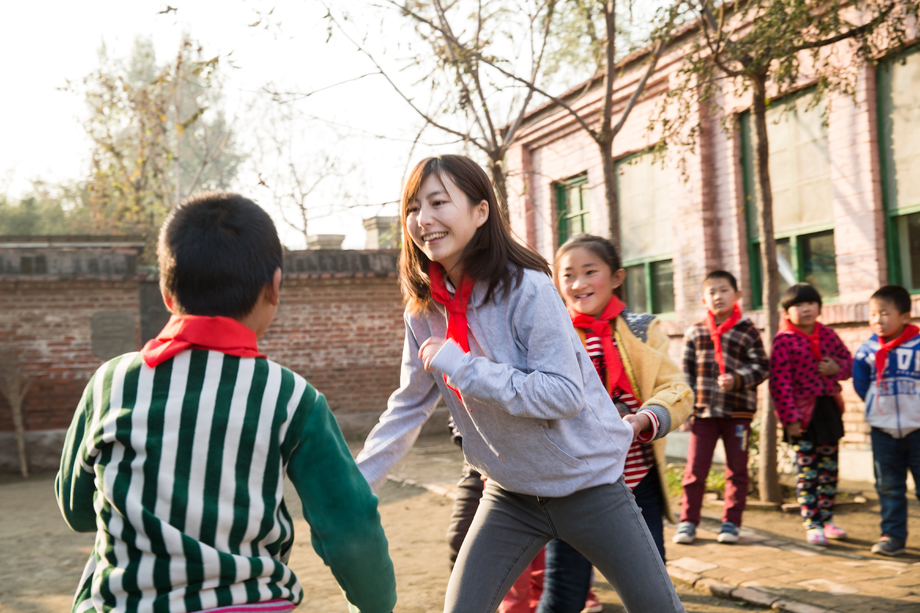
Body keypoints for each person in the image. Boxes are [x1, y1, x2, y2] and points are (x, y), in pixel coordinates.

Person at [355, 154, 685, 613]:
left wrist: (464, 367)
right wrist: (356, 484)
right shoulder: (424, 311)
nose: (423, 219)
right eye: (413, 207)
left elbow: (563, 395)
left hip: (589, 487)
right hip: (508, 495)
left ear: (480, 211)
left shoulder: (528, 288)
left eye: (438, 202)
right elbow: (409, 406)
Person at [55, 192, 396, 613]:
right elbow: (350, 526)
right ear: (274, 286)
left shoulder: (112, 384)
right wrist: (376, 605)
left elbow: (76, 509)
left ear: (166, 291)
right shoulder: (291, 397)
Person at [513, 234, 693, 613]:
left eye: (590, 271)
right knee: (564, 592)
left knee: (650, 591)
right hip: (575, 485)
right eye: (568, 275)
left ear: (616, 277)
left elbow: (676, 389)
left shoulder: (642, 329)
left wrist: (645, 417)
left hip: (637, 481)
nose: (578, 283)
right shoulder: (548, 333)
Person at [673, 271, 769, 545]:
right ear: (704, 299)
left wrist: (737, 379)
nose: (718, 296)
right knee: (695, 470)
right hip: (703, 414)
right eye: (712, 292)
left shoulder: (747, 330)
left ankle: (731, 523)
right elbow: (686, 376)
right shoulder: (695, 332)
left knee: (736, 471)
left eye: (724, 290)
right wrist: (686, 411)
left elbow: (762, 367)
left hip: (738, 414)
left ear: (737, 295)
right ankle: (688, 521)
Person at [769, 283, 853, 546]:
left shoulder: (828, 335)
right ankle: (812, 523)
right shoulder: (783, 341)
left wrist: (836, 368)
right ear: (786, 312)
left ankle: (827, 520)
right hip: (802, 416)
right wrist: (790, 420)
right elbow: (780, 384)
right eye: (798, 305)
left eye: (810, 303)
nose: (805, 309)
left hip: (828, 410)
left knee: (829, 470)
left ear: (819, 307)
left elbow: (849, 363)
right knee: (808, 472)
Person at [853, 285, 920, 557]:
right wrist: (878, 410)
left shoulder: (918, 346)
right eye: (872, 314)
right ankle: (892, 536)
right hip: (883, 431)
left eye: (884, 313)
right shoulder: (867, 351)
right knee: (889, 486)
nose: (877, 320)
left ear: (905, 316)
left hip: (918, 429)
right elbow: (861, 385)